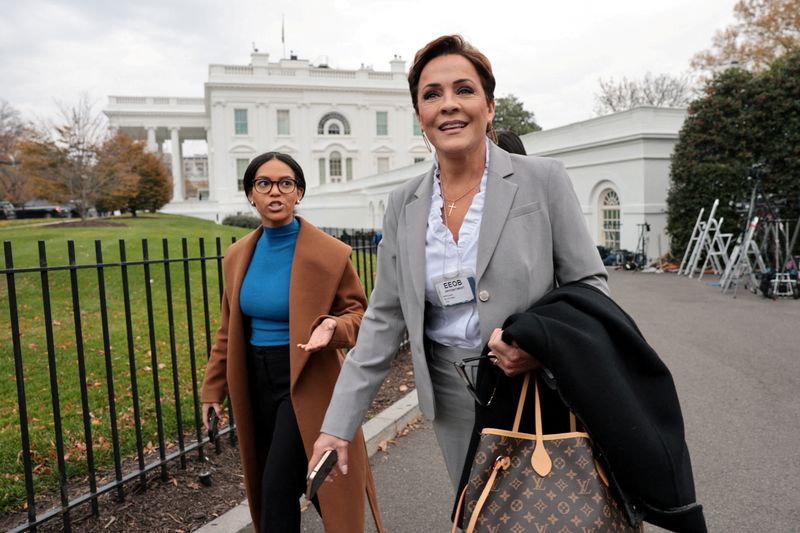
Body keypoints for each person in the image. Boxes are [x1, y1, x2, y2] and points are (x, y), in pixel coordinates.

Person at [309, 33, 608, 500]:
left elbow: (590, 286)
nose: (448, 104)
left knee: (549, 517)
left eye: (463, 90)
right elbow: (384, 318)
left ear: (489, 107)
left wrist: (543, 345)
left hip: (537, 389)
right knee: (478, 515)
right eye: (432, 94)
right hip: (451, 398)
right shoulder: (403, 203)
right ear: (420, 118)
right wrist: (337, 426)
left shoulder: (542, 180)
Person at [201, 152, 383, 533]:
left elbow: (359, 314)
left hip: (306, 378)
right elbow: (228, 328)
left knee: (276, 488)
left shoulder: (329, 253)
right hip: (255, 380)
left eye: (286, 183)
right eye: (263, 183)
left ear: (298, 192)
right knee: (313, 484)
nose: (275, 191)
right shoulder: (237, 256)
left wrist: (332, 326)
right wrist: (212, 390)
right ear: (251, 194)